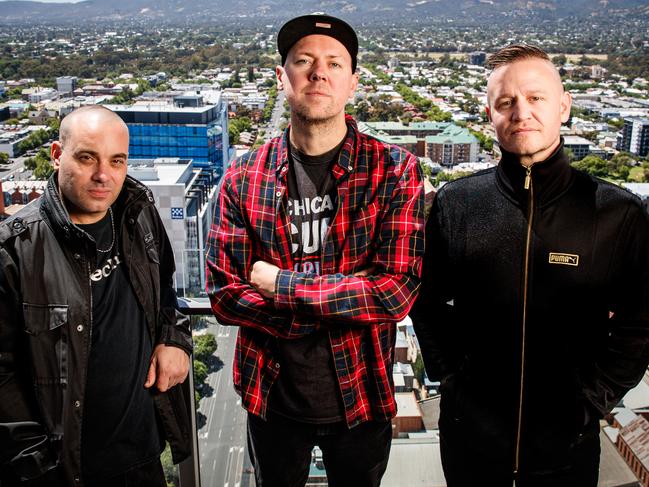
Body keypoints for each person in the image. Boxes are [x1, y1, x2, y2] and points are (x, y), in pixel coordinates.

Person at [410, 44, 649, 486]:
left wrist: (591, 400)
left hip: (567, 451)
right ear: (490, 115)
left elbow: (641, 321)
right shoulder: (457, 204)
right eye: (506, 102)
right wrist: (451, 379)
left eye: (536, 97)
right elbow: (424, 300)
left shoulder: (617, 213)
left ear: (564, 106)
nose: (521, 112)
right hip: (470, 446)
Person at [206, 13, 425, 487]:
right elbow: (225, 295)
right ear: (281, 78)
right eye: (303, 61)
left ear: (353, 83)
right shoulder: (244, 178)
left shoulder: (395, 170)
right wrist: (341, 301)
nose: (318, 72)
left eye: (333, 63)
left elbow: (395, 292)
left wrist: (281, 284)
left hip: (362, 397)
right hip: (272, 399)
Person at [0, 105, 193, 487]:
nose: (104, 175)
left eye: (117, 161)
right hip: (64, 469)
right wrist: (36, 464)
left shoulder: (140, 216)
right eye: (87, 157)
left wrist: (174, 339)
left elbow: (168, 290)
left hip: (143, 454)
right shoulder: (15, 250)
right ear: (57, 155)